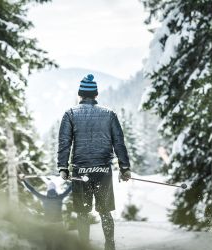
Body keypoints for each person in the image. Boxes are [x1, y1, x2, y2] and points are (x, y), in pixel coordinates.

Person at [57, 74, 132, 250]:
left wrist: (63, 167)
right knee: (105, 211)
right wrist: (125, 168)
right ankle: (110, 246)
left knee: (83, 213)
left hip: (80, 171)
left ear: (80, 94)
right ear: (96, 95)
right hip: (103, 170)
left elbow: (64, 143)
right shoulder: (109, 114)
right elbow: (119, 142)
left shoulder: (70, 114)